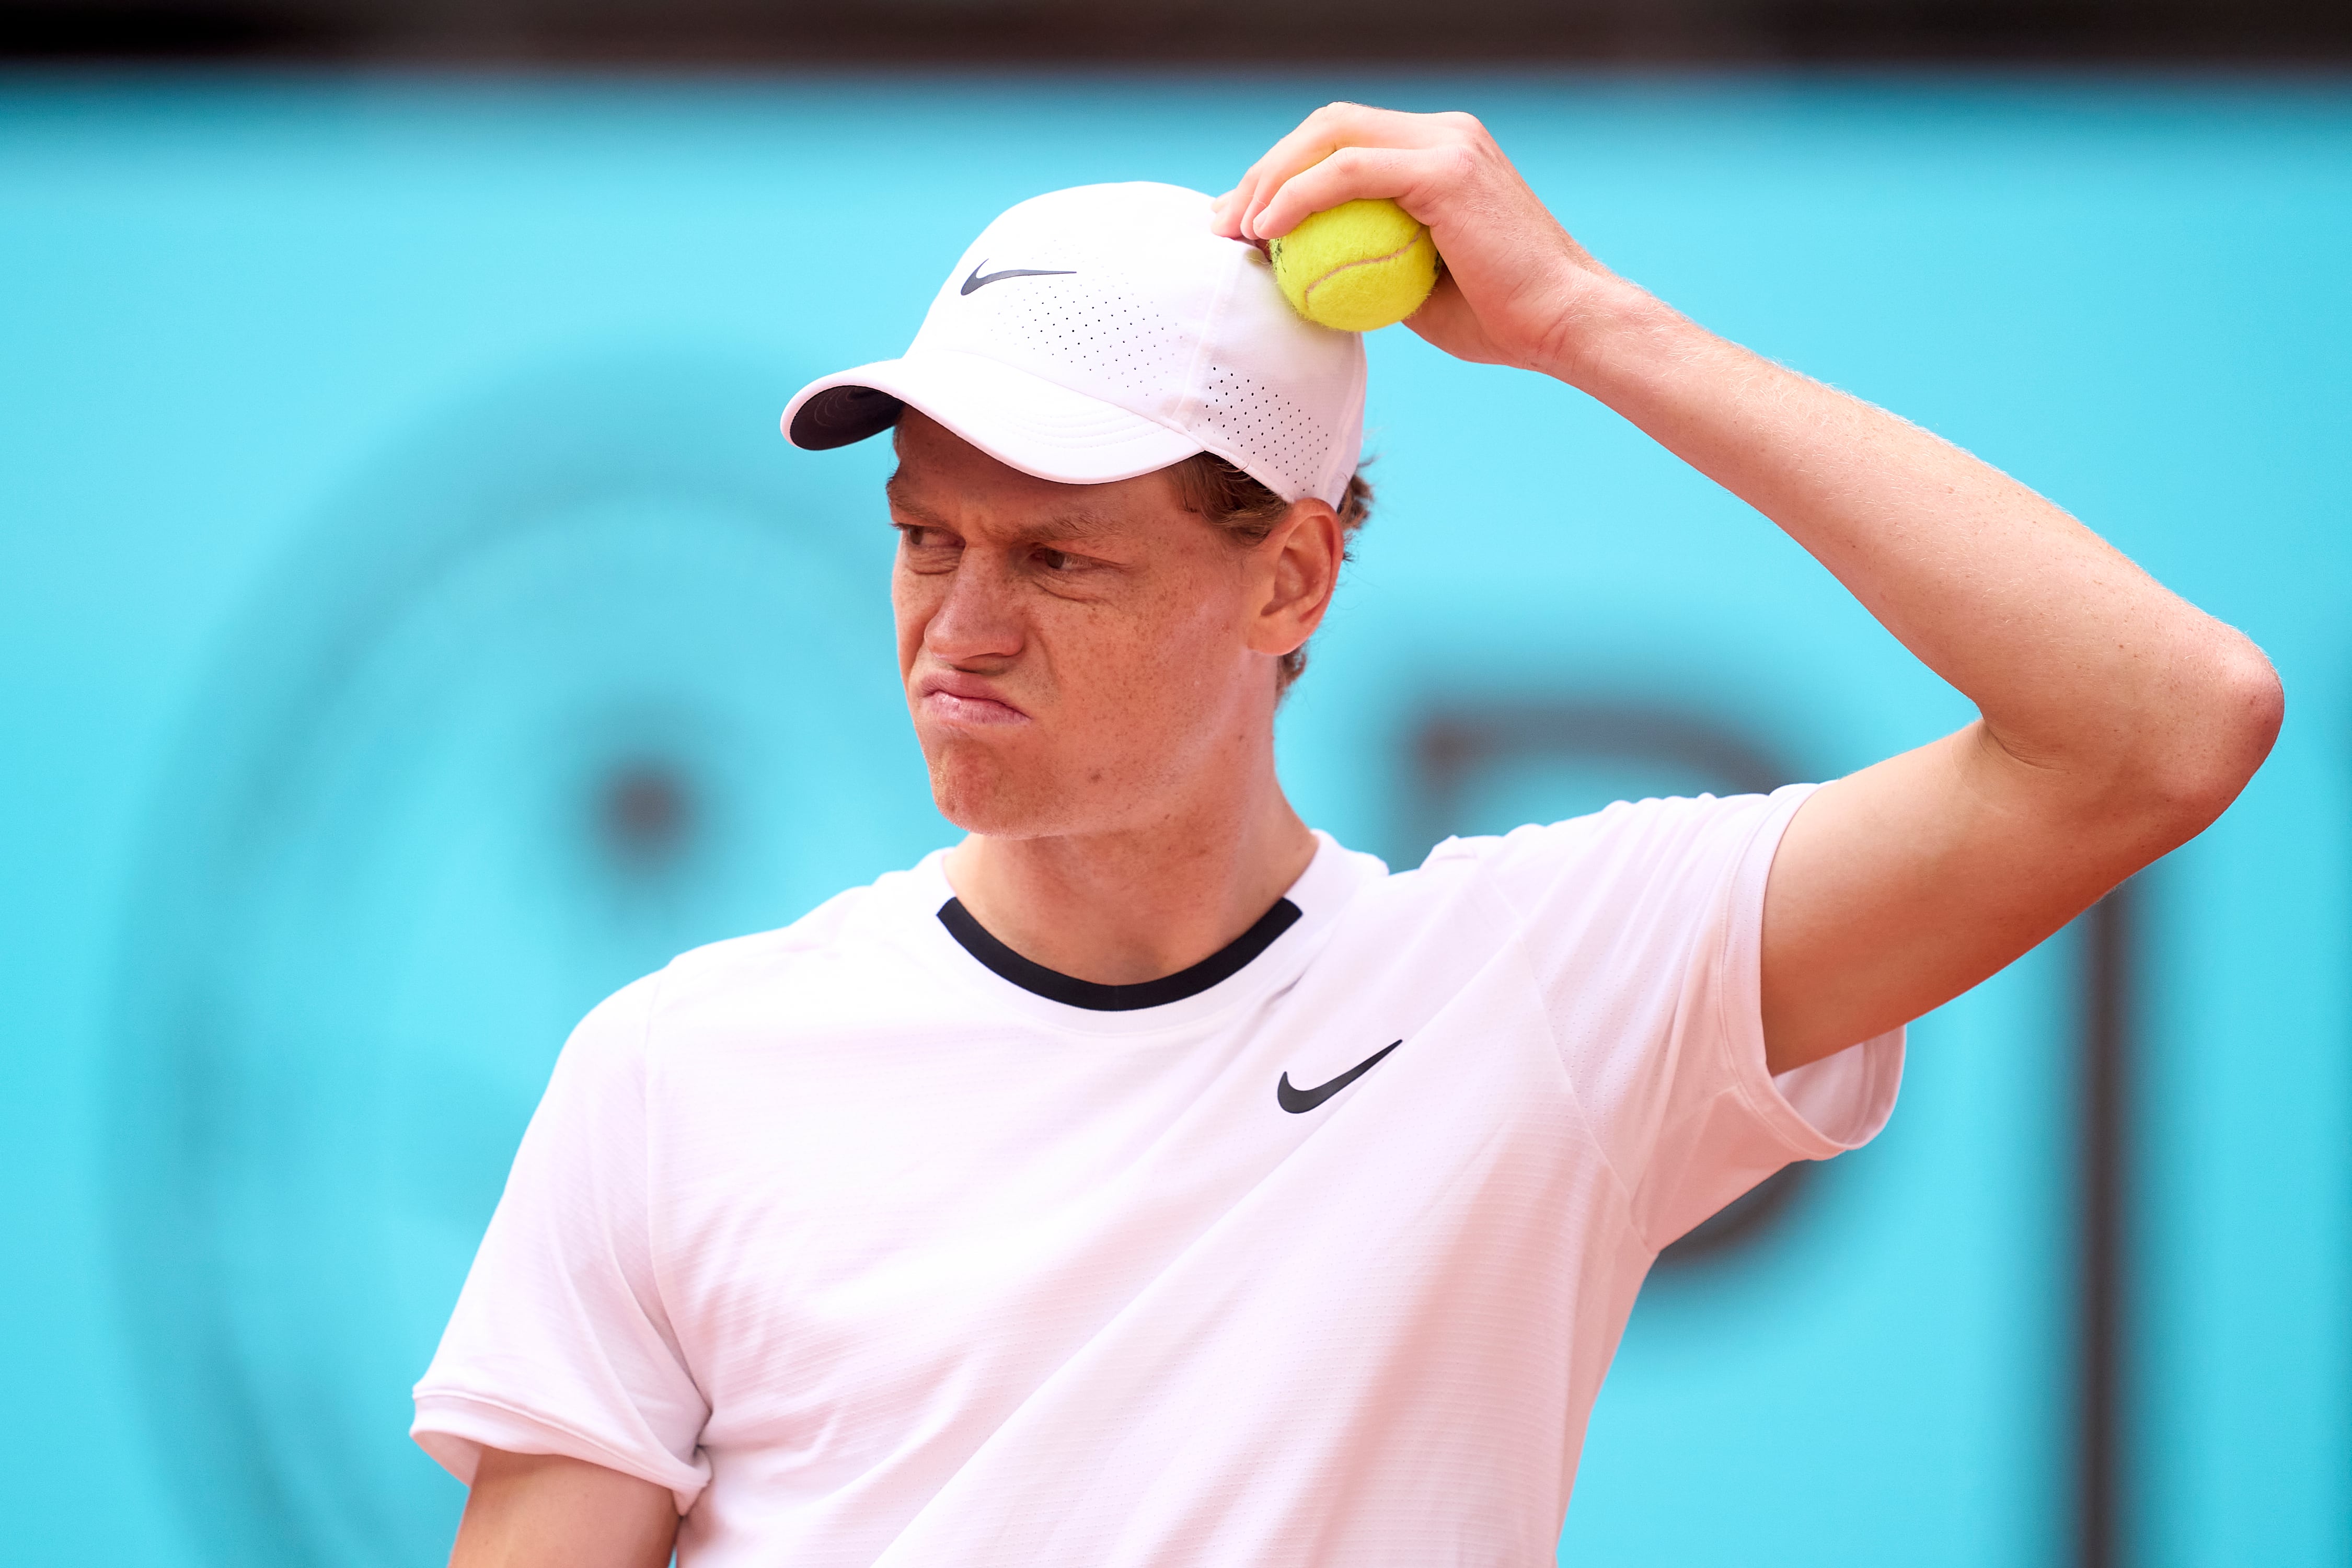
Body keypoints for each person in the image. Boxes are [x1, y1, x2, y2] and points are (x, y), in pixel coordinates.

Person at [412, 105, 2279, 1567]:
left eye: (1057, 557)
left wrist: (1585, 325)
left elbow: (2161, 727)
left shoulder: (1540, 987)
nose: (958, 626)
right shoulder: (677, 1068)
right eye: (925, 538)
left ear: (1289, 579)